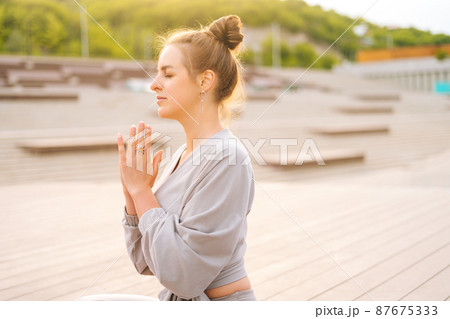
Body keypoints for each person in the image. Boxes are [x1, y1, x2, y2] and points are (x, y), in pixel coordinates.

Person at [116, 15, 256, 301]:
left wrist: (143, 191)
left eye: (167, 74)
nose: (154, 85)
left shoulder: (228, 159)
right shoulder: (182, 155)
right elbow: (145, 262)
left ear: (205, 80)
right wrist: (132, 193)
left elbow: (184, 278)